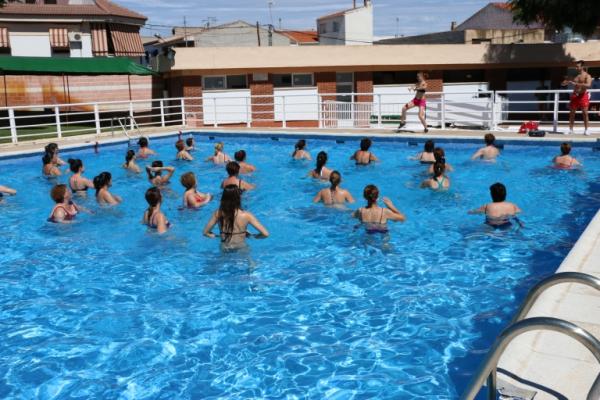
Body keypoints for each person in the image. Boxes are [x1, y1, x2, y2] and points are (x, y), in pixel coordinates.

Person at [203, 185, 269, 248]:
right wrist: (252, 236)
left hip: (225, 246)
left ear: (224, 198)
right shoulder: (247, 215)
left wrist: (219, 236)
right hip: (241, 247)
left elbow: (205, 233)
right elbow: (265, 234)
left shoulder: (218, 213)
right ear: (238, 198)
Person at [566, 60, 592, 135]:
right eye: (576, 67)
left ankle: (586, 130)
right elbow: (574, 84)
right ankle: (570, 129)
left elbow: (588, 85)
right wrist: (568, 82)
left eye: (577, 67)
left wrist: (577, 83)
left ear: (582, 67)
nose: (576, 68)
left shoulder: (587, 75)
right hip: (575, 95)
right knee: (572, 113)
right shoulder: (576, 76)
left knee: (585, 113)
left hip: (583, 95)